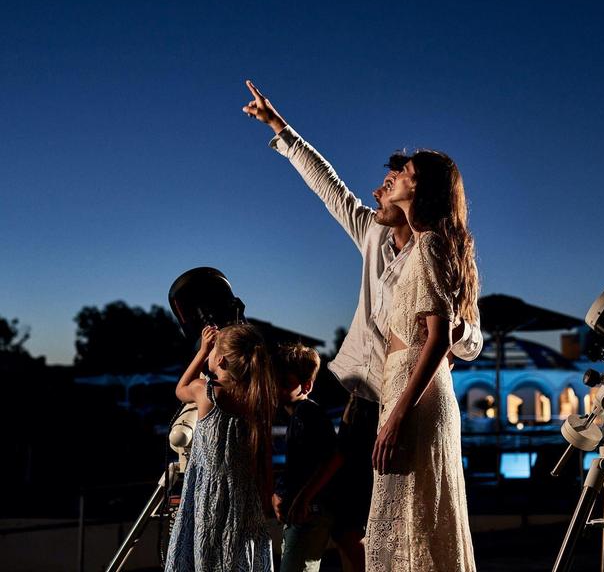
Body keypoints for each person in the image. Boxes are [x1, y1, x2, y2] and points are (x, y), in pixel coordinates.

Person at [241, 80, 483, 572]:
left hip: (412, 392)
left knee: (389, 515)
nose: (376, 191)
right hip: (365, 389)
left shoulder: (439, 250)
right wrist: (279, 127)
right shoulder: (373, 234)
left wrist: (450, 334)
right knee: (347, 508)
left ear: (415, 193)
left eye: (390, 182)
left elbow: (468, 338)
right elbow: (327, 185)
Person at [365, 149, 479, 571]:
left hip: (414, 398)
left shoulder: (429, 244)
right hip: (412, 389)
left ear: (419, 187)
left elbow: (438, 338)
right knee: (413, 520)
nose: (395, 176)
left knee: (414, 518)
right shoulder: (425, 245)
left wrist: (397, 416)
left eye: (405, 172)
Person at [165, 324, 275, 572]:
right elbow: (264, 457)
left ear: (221, 360)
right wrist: (267, 495)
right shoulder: (256, 400)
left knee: (208, 557)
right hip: (244, 495)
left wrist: (202, 351)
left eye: (214, 350)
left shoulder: (207, 392)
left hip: (209, 497)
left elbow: (180, 389)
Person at [271, 343, 337, 572]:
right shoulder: (299, 415)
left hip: (310, 513)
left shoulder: (307, 414)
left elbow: (332, 458)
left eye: (284, 383)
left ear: (306, 385)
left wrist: (303, 499)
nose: (276, 389)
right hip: (304, 511)